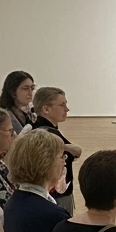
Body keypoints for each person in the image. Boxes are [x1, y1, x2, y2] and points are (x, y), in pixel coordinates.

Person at [31, 86, 82, 216]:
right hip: (56, 195)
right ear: (46, 109)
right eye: (62, 105)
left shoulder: (45, 130)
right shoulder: (46, 133)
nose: (67, 109)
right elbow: (76, 152)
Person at [0, 70, 36, 135]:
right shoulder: (3, 117)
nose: (30, 92)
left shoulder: (32, 115)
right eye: (25, 88)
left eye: (32, 88)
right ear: (13, 92)